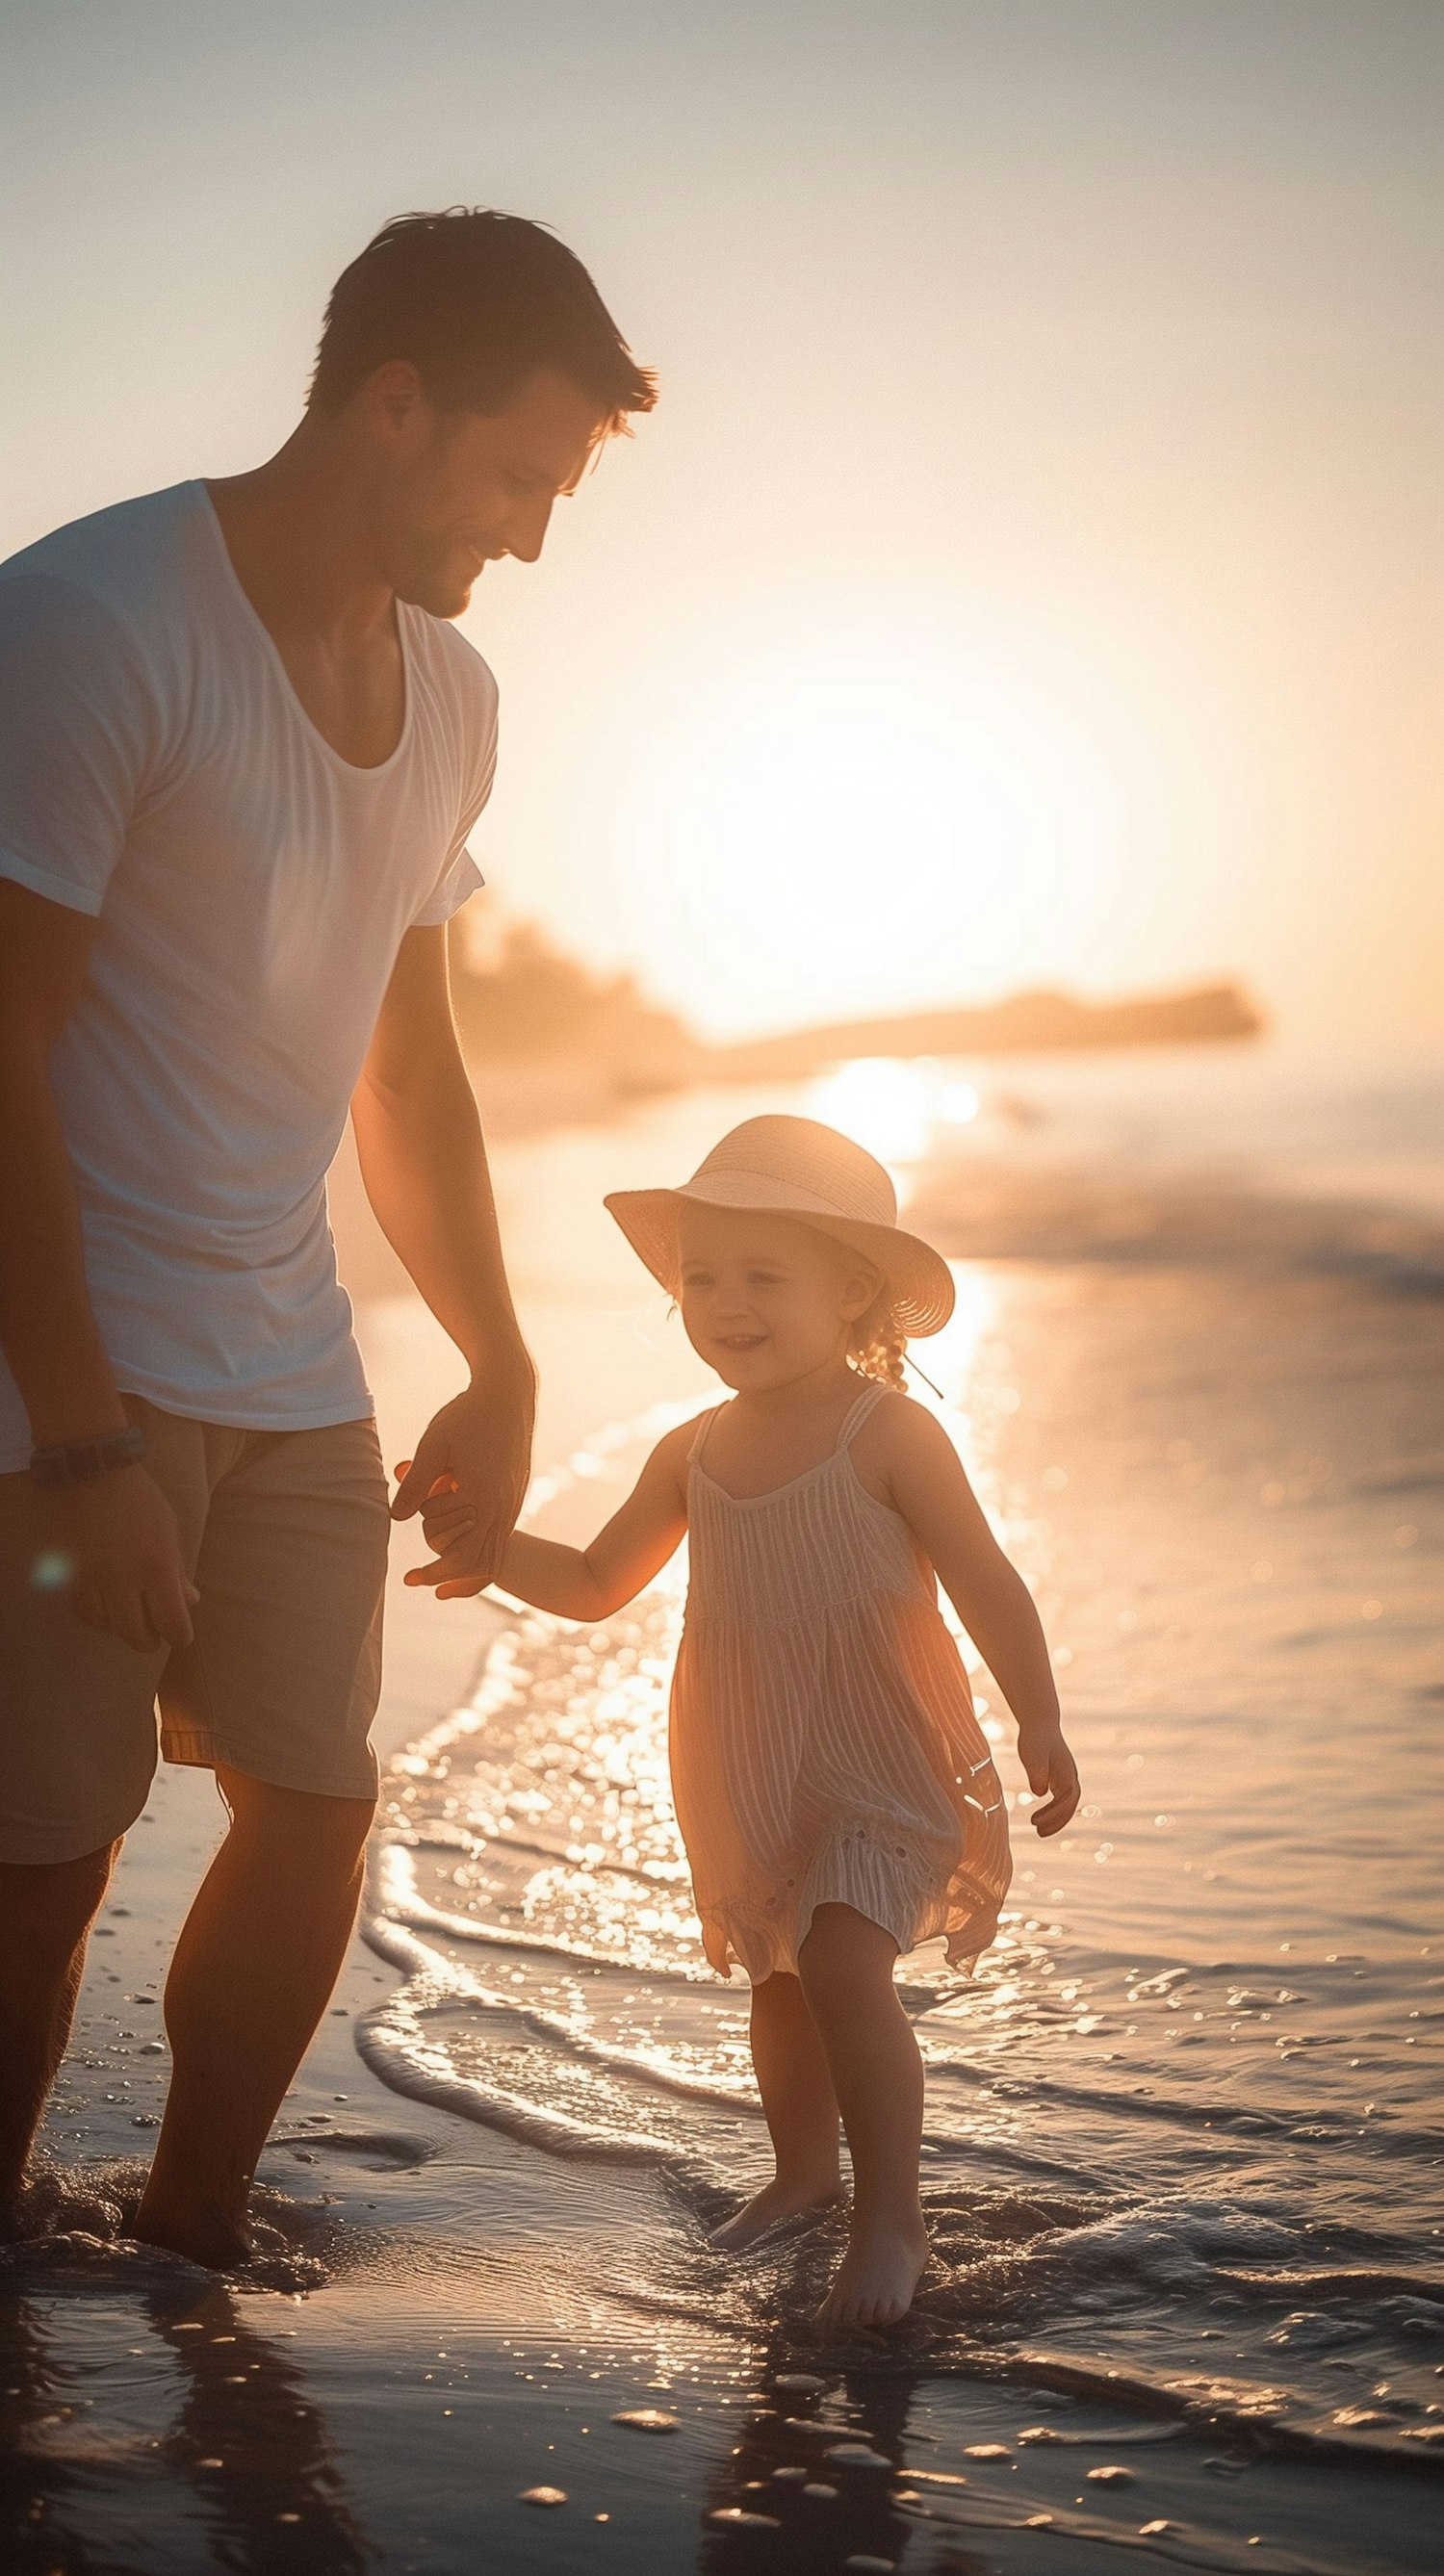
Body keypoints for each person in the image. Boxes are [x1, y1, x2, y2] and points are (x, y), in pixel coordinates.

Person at [0, 209, 656, 2266]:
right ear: (393, 404)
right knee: (45, 1856)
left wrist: (501, 1354)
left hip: (288, 1352)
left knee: (317, 1806)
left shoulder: (452, 695)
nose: (538, 539)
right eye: (519, 475)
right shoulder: (89, 621)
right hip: (55, 1368)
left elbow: (413, 1074)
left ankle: (192, 2233)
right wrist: (83, 1440)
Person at [424, 1115, 1080, 2329]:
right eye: (701, 1278)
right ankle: (801, 2175)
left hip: (882, 1753)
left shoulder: (885, 1431)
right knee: (781, 1984)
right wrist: (485, 1547)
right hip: (752, 1763)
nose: (724, 1302)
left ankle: (892, 2217)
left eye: (762, 1276)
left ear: (850, 1292)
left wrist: (1037, 1717)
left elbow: (987, 1577)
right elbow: (593, 1582)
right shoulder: (692, 1449)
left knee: (840, 1959)